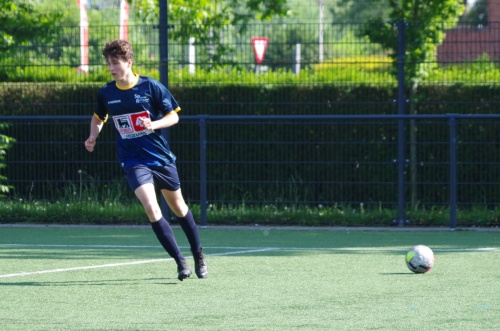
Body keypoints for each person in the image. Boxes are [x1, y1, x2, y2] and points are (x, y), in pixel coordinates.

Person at [84, 39, 207, 281]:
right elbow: (99, 117)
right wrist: (92, 136)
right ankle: (181, 263)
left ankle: (198, 255)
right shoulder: (106, 92)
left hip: (160, 158)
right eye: (108, 63)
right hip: (132, 160)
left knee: (179, 207)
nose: (111, 67)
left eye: (116, 62)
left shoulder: (150, 86)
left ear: (128, 62)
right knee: (151, 207)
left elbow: (173, 116)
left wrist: (155, 123)